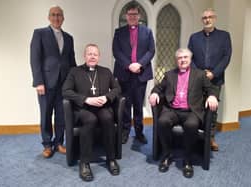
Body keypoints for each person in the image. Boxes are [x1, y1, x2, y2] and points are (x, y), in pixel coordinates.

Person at [149, 48, 218, 178]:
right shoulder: (169, 74)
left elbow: (211, 88)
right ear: (176, 60)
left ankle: (187, 159)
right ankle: (167, 153)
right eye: (180, 58)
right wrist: (154, 93)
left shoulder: (199, 74)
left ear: (190, 59)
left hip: (191, 111)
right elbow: (158, 87)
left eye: (185, 57)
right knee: (162, 121)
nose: (183, 60)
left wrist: (212, 96)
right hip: (173, 110)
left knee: (191, 125)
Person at [62, 44, 121, 182]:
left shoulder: (106, 71)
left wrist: (106, 97)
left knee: (107, 118)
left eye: (95, 54)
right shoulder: (74, 71)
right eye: (90, 54)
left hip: (102, 107)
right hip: (83, 109)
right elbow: (65, 91)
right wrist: (86, 99)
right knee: (90, 120)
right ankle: (84, 162)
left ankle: (111, 159)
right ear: (84, 56)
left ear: (99, 57)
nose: (92, 56)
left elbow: (117, 88)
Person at [30, 5, 76, 158]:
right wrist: (38, 82)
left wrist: (74, 82)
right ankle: (47, 144)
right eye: (53, 15)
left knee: (62, 115)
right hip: (46, 83)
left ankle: (59, 143)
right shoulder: (40, 34)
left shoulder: (69, 38)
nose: (56, 18)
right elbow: (35, 59)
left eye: (59, 15)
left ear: (63, 18)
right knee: (46, 114)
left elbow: (72, 62)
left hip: (64, 84)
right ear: (49, 17)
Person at [188, 8, 232, 151]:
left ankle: (210, 137)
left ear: (215, 18)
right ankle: (194, 134)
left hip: (215, 79)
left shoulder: (224, 36)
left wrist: (213, 73)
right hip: (198, 79)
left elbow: (226, 57)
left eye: (210, 17)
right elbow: (190, 57)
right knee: (196, 106)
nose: (207, 19)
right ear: (202, 20)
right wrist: (200, 74)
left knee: (212, 109)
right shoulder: (194, 37)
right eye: (205, 17)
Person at [112, 2, 155, 144]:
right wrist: (129, 65)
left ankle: (139, 132)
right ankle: (125, 131)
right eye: (130, 14)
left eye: (135, 14)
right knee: (125, 105)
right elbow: (116, 51)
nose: (132, 17)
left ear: (139, 15)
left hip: (141, 74)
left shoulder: (147, 32)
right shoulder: (119, 32)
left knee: (138, 104)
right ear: (126, 16)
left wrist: (139, 64)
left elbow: (151, 51)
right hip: (124, 73)